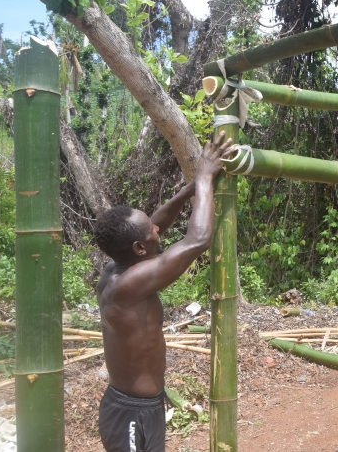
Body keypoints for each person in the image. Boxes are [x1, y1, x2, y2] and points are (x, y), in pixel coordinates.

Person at [93, 133, 233, 452]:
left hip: (147, 406)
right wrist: (206, 179)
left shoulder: (121, 265)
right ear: (140, 248)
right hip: (129, 412)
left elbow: (157, 223)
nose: (158, 228)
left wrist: (188, 189)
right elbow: (197, 241)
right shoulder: (128, 284)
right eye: (151, 230)